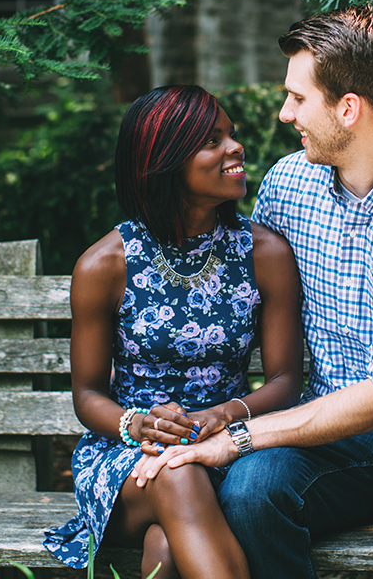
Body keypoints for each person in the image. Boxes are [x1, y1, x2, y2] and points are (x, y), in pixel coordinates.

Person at [133, 5, 373, 579]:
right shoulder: (287, 185)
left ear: (348, 108)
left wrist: (238, 437)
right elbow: (226, 291)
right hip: (326, 439)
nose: (285, 114)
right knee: (252, 494)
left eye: (298, 98)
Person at [43, 85, 303, 579]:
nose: (235, 148)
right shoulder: (105, 264)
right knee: (177, 474)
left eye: (231, 134)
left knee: (165, 548)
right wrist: (136, 424)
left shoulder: (264, 254)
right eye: (212, 140)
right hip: (128, 458)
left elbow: (286, 379)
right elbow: (88, 393)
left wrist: (226, 414)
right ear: (164, 163)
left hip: (227, 446)